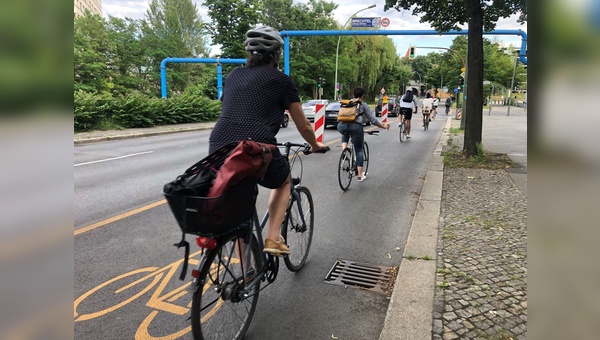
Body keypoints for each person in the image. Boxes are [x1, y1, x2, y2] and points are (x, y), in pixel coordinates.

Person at [208, 25, 326, 255]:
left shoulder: (234, 76)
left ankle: (245, 273)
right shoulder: (282, 81)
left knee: (241, 212)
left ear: (250, 54)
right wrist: (315, 145)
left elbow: (233, 108)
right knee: (283, 181)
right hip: (255, 146)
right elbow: (303, 124)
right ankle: (273, 238)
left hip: (219, 146)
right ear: (276, 55)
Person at [337, 87, 389, 182]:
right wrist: (383, 126)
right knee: (359, 150)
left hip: (341, 126)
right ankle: (360, 175)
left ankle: (344, 150)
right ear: (362, 96)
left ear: (353, 95)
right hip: (356, 128)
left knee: (345, 131)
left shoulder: (346, 103)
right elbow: (373, 120)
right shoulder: (363, 105)